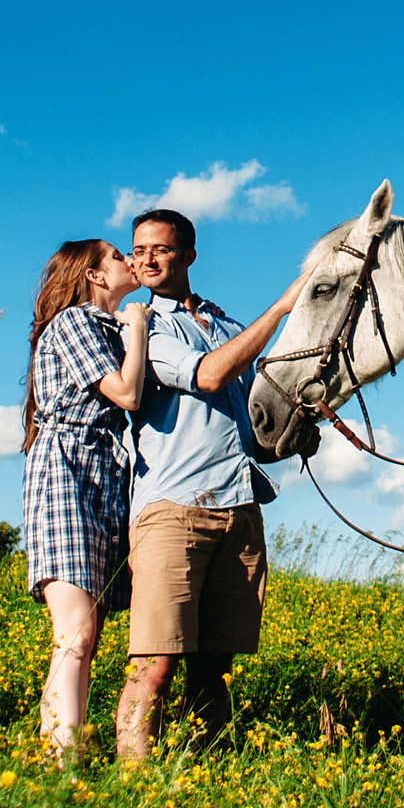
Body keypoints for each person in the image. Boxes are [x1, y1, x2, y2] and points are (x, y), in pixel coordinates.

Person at [114, 206, 314, 760]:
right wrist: (280, 308)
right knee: (154, 664)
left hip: (239, 507)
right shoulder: (141, 324)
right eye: (138, 250)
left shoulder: (227, 326)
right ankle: (130, 789)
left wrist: (295, 435)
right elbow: (209, 375)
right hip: (173, 508)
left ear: (189, 256)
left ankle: (206, 779)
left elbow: (252, 427)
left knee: (215, 668)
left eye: (161, 249)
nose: (146, 259)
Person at [20, 238, 151, 762]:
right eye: (118, 256)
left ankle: (64, 750)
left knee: (87, 632)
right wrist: (139, 329)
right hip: (67, 471)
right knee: (75, 630)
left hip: (101, 474)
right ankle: (59, 764)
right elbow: (126, 393)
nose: (129, 261)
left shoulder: (105, 328)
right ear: (95, 276)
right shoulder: (75, 322)